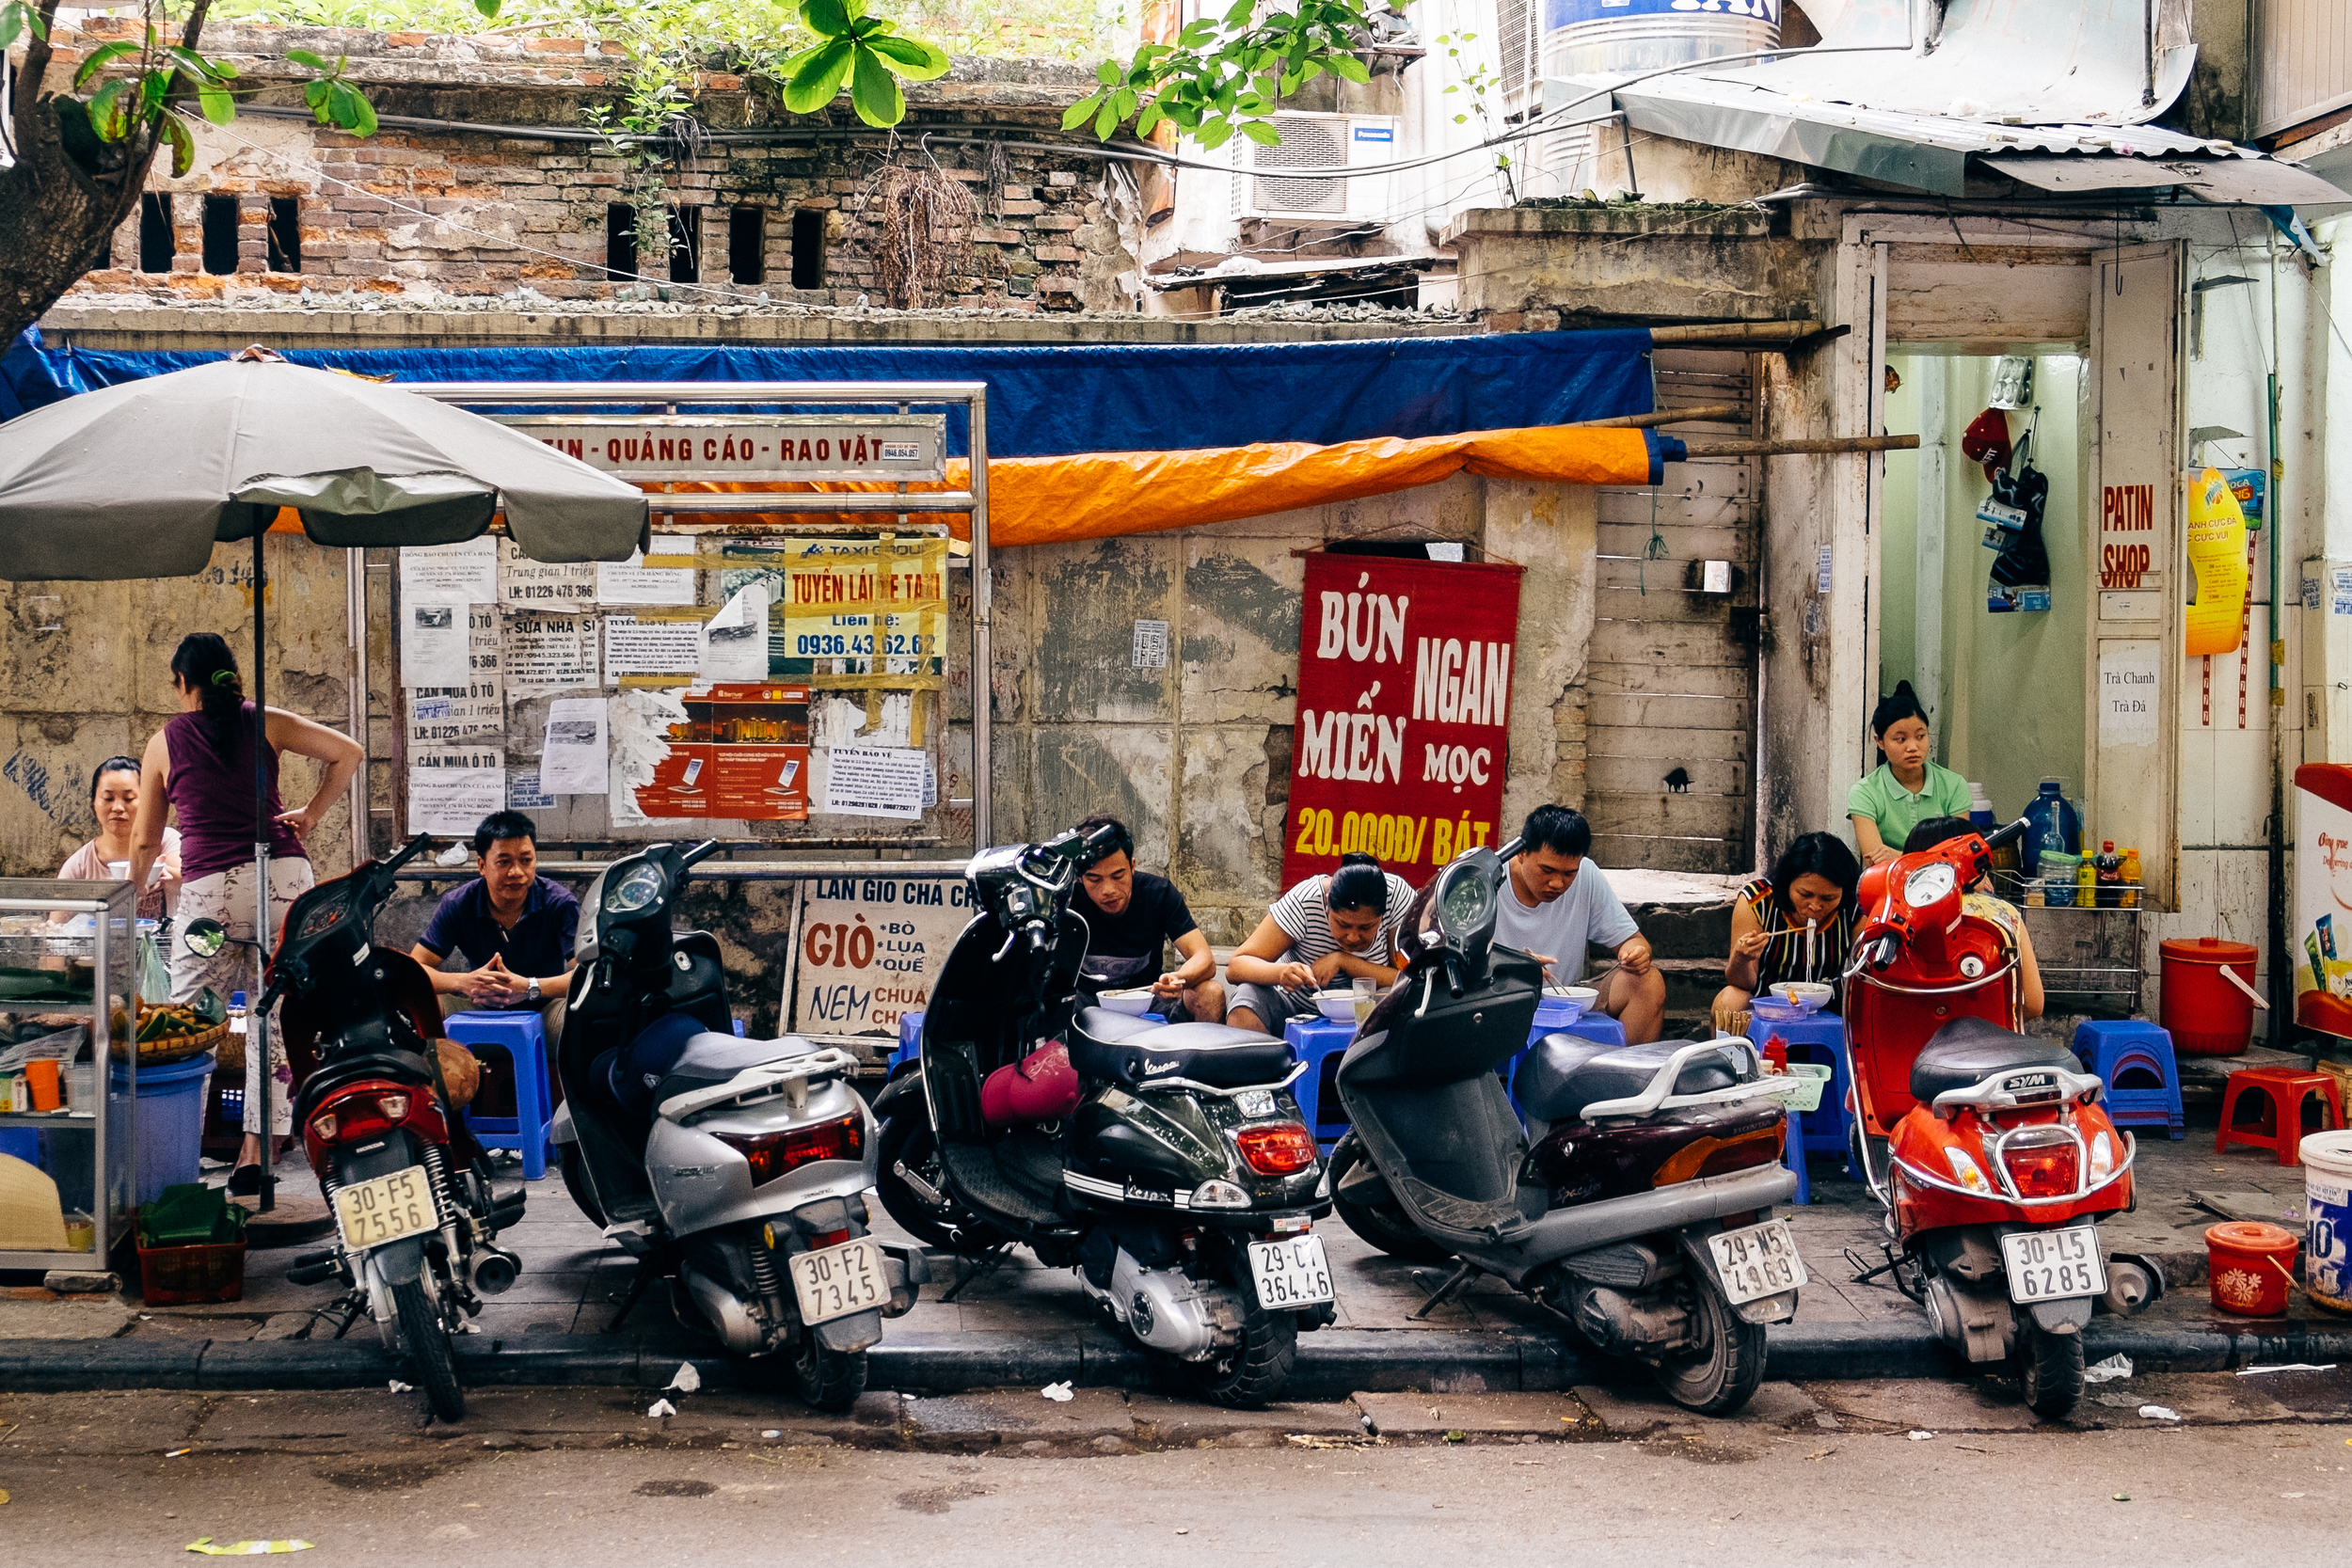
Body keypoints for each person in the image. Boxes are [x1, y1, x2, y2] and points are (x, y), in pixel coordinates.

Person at [131, 632, 363, 1195]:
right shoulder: (268, 721)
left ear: (181, 684)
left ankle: (175, 1159)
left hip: (210, 899)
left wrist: (132, 897)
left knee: (190, 1018)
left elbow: (144, 841)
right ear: (232, 676)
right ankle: (255, 1154)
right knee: (271, 1014)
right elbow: (350, 753)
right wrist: (309, 813)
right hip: (283, 886)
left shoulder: (165, 741)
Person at [409, 810, 578, 1091]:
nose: (517, 872)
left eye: (526, 860)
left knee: (585, 1015)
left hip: (544, 1014)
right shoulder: (459, 904)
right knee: (417, 1008)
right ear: (481, 865)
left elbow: (588, 974)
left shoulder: (559, 904)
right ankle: (439, 1117)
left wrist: (529, 987)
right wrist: (463, 983)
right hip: (477, 1011)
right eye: (504, 862)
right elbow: (412, 971)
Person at [1492, 805, 1665, 1044]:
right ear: (1522, 853)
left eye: (1568, 874)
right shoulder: (1485, 879)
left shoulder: (1587, 875)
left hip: (1566, 1002)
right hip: (1496, 1000)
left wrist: (1635, 953)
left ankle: (1627, 1078)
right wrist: (1510, 966)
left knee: (1648, 982)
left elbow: (1635, 941)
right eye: (1547, 870)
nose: (1557, 883)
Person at [1225, 852, 1415, 1035]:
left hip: (1372, 1014)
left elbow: (1408, 977)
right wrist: (1281, 973)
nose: (1352, 937)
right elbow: (1236, 966)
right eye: (1343, 924)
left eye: (1366, 928)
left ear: (1383, 914)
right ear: (1327, 902)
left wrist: (1343, 961)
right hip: (1297, 1010)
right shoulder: (1304, 901)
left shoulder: (1397, 897)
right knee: (1247, 998)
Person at [1069, 814, 1224, 1023]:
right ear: (1079, 876)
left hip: (1148, 1000)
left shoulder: (1158, 893)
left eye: (1118, 876)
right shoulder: (1066, 898)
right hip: (1085, 1002)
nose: (1108, 890)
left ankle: (1202, 1057)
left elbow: (1205, 959)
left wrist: (1177, 979)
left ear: (1132, 867)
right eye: (1094, 879)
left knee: (1210, 993)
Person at [1713, 832, 1862, 1030]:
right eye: (1805, 894)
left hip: (1831, 1004)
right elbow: (1741, 982)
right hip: (1765, 1003)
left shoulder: (1854, 909)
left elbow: (1864, 973)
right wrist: (1741, 958)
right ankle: (1733, 1060)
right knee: (1730, 1000)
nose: (1815, 906)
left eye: (1828, 898)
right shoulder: (1759, 901)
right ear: (1787, 882)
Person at [1904, 816, 2045, 1021]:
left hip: (1912, 1045)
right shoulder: (2005, 915)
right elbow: (2033, 1003)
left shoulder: (1896, 916)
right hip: (1991, 1046)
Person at [1848, 681, 1971, 867]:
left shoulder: (1953, 785)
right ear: (1880, 741)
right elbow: (1875, 861)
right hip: (1888, 885)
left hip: (1944, 883)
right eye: (1900, 739)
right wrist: (1938, 858)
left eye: (1920, 736)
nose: (1913, 747)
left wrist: (1896, 855)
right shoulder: (1865, 792)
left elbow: (1961, 855)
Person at [57, 755, 181, 920]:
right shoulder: (79, 866)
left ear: (146, 802)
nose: (117, 808)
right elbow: (56, 928)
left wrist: (156, 872)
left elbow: (191, 879)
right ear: (93, 802)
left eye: (129, 798)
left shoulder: (165, 840)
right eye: (108, 798)